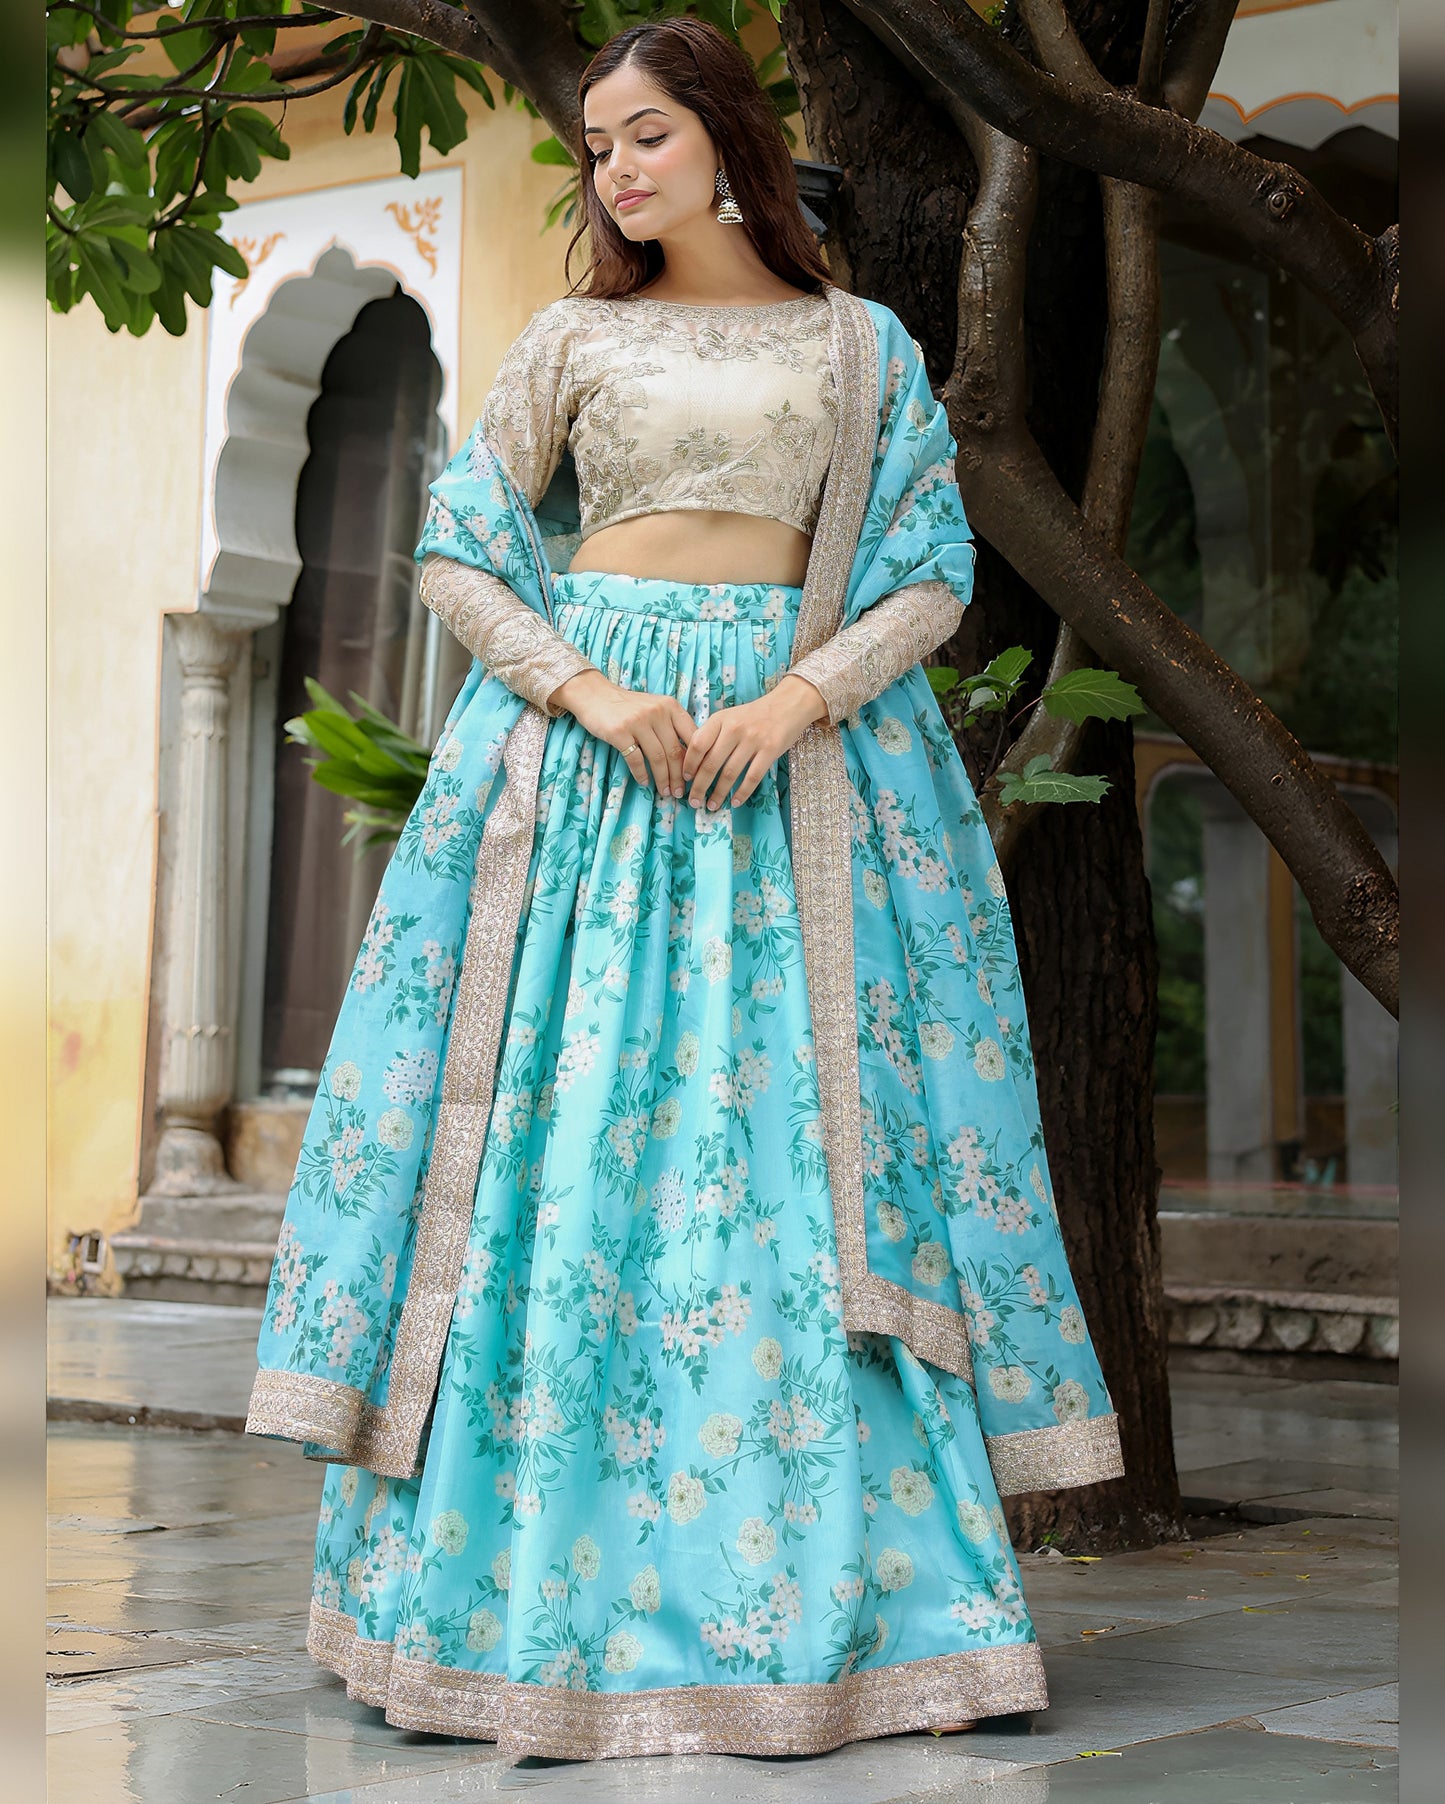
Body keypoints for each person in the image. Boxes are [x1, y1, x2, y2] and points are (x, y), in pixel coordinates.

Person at [245, 15, 1124, 1761]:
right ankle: (513, 1612)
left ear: (725, 137)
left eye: (644, 134)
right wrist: (595, 691)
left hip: (795, 782)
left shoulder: (860, 347)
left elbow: (928, 572)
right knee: (562, 1158)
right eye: (595, 146)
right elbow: (464, 550)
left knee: (794, 1176)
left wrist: (792, 703)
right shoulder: (571, 339)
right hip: (589, 777)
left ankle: (848, 1625)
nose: (617, 169)